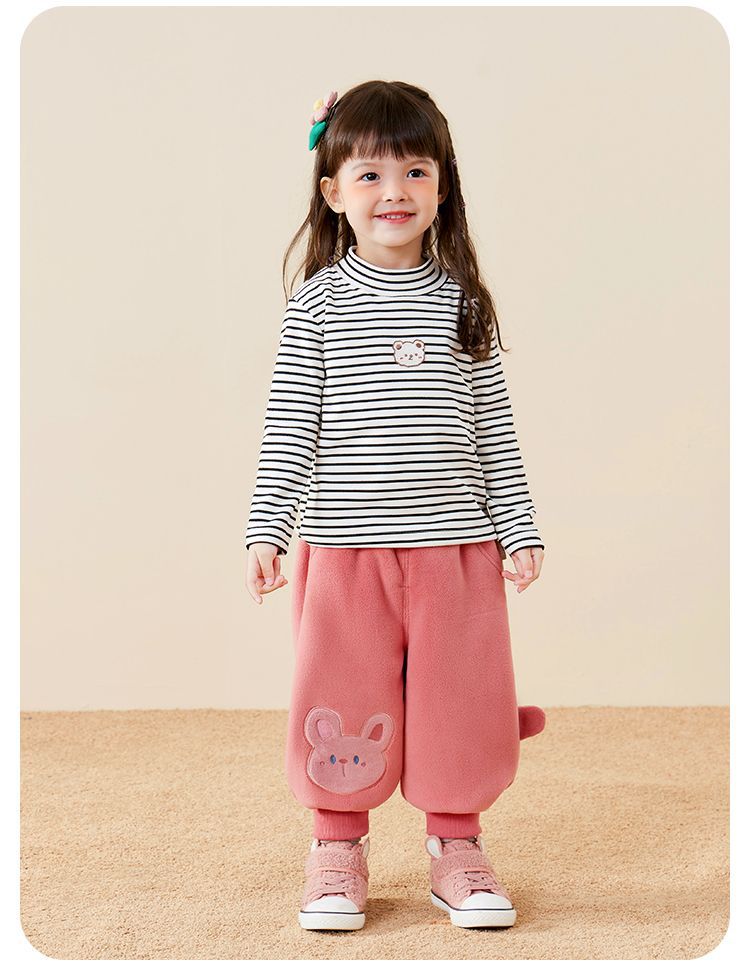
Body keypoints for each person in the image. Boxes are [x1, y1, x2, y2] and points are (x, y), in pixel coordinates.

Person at [244, 80, 546, 932]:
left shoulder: (462, 302)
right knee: (341, 695)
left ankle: (457, 845)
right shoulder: (317, 304)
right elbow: (289, 425)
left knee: (462, 698)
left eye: (416, 171)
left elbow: (493, 427)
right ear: (333, 192)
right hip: (345, 551)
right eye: (370, 175)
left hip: (458, 550)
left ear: (442, 187)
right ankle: (336, 847)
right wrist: (268, 528)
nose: (395, 192)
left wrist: (519, 527)